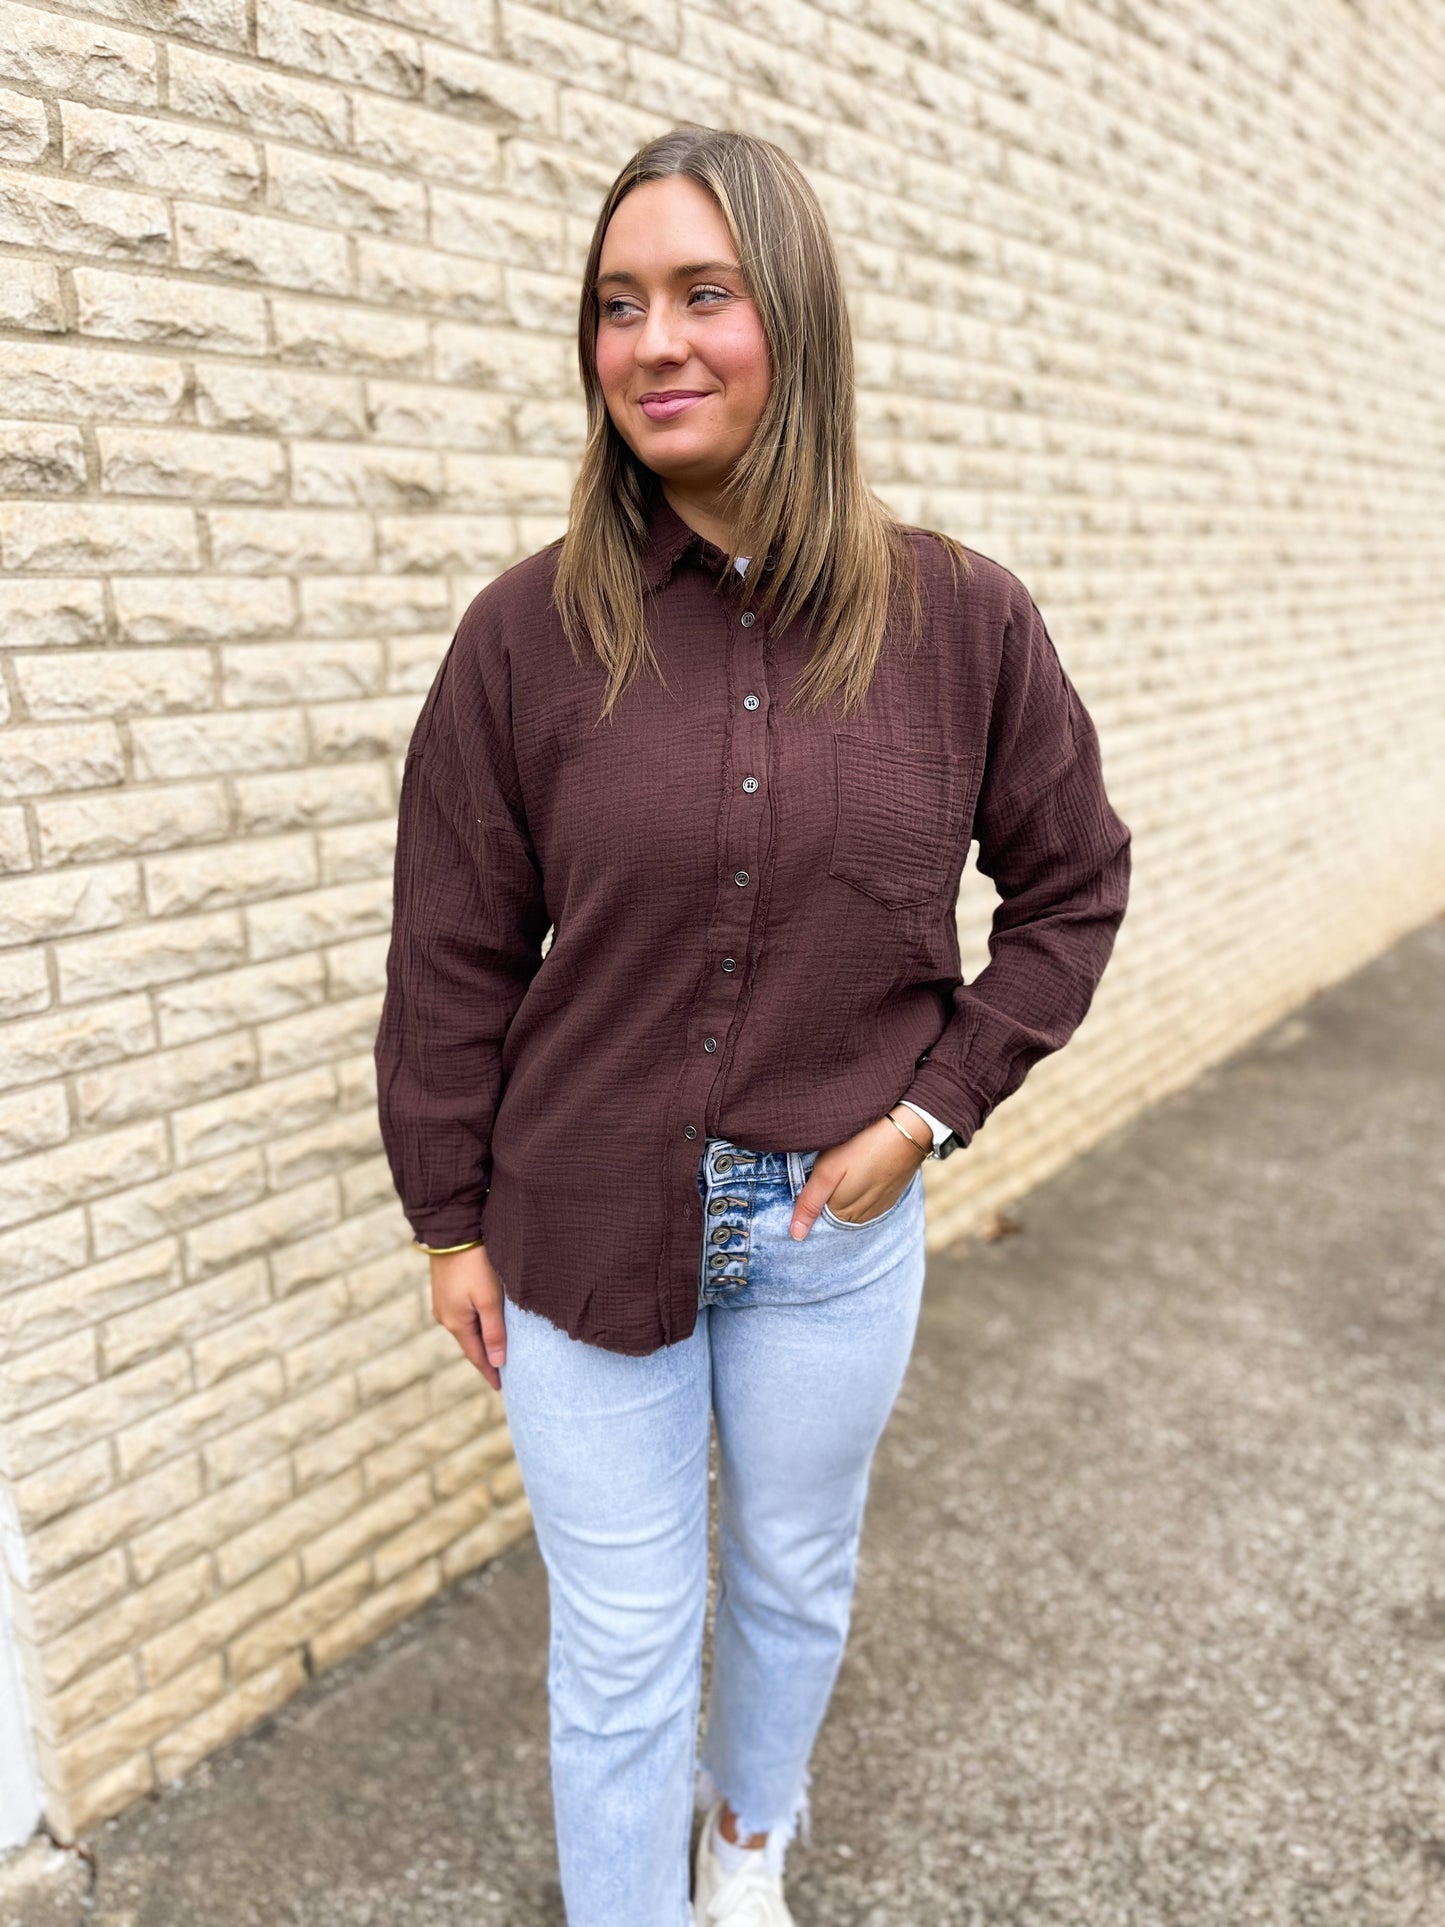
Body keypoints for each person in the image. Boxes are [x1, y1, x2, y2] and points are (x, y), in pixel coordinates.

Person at [374, 124, 1131, 1927]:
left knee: (790, 1572)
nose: (655, 343)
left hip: (830, 1227)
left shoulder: (960, 623)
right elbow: (454, 951)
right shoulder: (522, 639)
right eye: (616, 305)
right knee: (622, 1646)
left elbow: (1070, 890)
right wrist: (447, 1215)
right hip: (576, 1221)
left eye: (704, 294)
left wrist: (927, 1114)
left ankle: (750, 1840)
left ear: (791, 321)